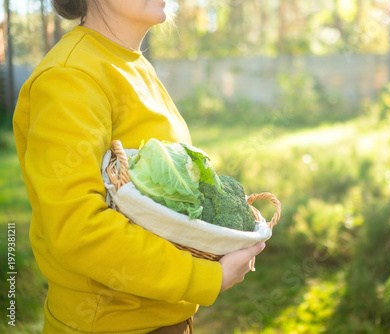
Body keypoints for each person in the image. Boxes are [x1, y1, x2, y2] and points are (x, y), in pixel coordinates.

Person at [13, 0, 266, 333]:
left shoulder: (132, 63)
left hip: (166, 318)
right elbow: (76, 228)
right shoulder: (69, 76)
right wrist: (204, 277)